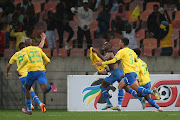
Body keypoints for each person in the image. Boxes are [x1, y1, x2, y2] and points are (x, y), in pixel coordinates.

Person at [94, 38, 161, 110]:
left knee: (137, 89)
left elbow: (114, 60)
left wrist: (102, 63)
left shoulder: (121, 51)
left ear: (122, 43)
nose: (119, 43)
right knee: (121, 87)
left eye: (120, 42)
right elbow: (136, 60)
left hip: (129, 73)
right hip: (131, 72)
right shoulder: (132, 51)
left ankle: (152, 91)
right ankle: (119, 106)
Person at [6, 33, 46, 111]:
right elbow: (40, 47)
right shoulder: (29, 51)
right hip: (31, 73)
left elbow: (8, 65)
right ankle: (30, 105)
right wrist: (43, 39)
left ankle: (40, 104)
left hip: (23, 75)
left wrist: (7, 72)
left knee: (29, 90)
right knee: (26, 89)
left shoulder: (16, 54)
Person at [17, 38, 57, 115]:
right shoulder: (38, 49)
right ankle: (50, 85)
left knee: (27, 89)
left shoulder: (25, 50)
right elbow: (48, 60)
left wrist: (18, 69)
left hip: (32, 72)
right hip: (41, 71)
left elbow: (25, 60)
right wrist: (43, 67)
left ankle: (29, 110)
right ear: (32, 43)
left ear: (25, 45)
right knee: (44, 90)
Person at [92, 42, 124, 110]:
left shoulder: (109, 53)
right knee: (124, 88)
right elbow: (119, 61)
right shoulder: (113, 54)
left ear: (109, 46)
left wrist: (96, 51)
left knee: (103, 86)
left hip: (115, 73)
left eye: (105, 45)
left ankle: (109, 103)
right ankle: (119, 105)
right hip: (119, 72)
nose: (103, 46)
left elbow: (104, 59)